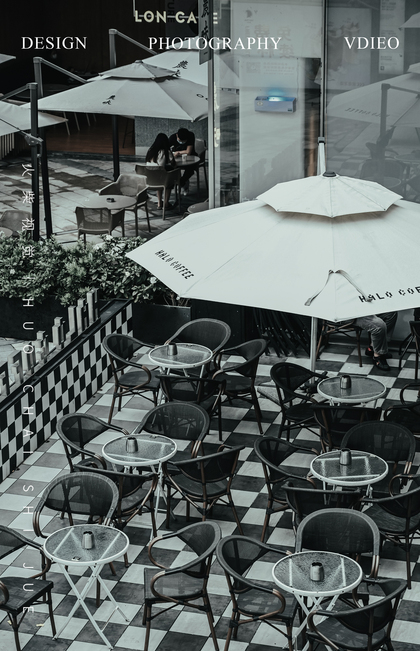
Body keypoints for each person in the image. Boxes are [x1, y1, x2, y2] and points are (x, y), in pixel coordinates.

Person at [145, 133, 175, 210]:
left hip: (150, 180)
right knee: (169, 178)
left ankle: (159, 203)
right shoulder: (166, 151)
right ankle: (166, 203)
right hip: (160, 179)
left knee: (159, 176)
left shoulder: (150, 150)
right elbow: (173, 163)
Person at [169, 127, 197, 195]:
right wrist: (173, 153)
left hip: (191, 158)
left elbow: (188, 152)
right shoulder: (172, 138)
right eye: (180, 140)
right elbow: (166, 149)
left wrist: (178, 152)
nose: (181, 142)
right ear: (176, 135)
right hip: (177, 158)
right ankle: (176, 183)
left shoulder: (190, 135)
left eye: (184, 141)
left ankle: (182, 182)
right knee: (172, 167)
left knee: (190, 169)